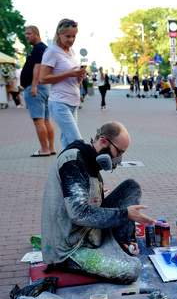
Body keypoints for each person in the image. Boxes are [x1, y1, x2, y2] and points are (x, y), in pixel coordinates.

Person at [41, 121, 155, 283]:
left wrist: (98, 195)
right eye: (119, 152)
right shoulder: (73, 160)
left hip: (88, 231)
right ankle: (69, 263)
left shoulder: (90, 160)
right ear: (103, 141)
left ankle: (124, 243)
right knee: (132, 269)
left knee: (131, 187)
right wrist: (125, 214)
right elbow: (79, 214)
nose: (119, 159)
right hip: (70, 247)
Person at [40, 19, 85, 149]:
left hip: (73, 102)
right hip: (59, 102)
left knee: (67, 141)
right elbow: (43, 79)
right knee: (77, 141)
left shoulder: (71, 52)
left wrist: (79, 76)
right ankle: (83, 162)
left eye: (74, 36)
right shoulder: (52, 51)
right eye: (68, 36)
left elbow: (73, 77)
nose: (71, 40)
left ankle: (64, 162)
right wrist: (69, 73)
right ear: (59, 34)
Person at [20, 25, 56, 157]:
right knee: (46, 120)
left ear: (36, 34)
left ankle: (44, 149)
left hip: (36, 88)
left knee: (38, 120)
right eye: (26, 34)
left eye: (29, 34)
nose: (26, 36)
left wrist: (34, 86)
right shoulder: (43, 48)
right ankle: (50, 148)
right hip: (43, 88)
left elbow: (38, 68)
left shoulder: (38, 48)